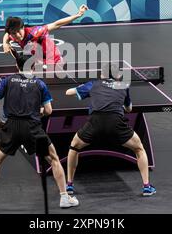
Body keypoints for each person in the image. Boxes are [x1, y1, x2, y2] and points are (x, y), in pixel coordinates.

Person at [0, 51, 79, 209]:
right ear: (33, 66)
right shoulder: (39, 84)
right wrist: (40, 112)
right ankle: (65, 198)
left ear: (17, 66)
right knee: (54, 160)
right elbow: (49, 110)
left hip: (11, 126)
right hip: (32, 127)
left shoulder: (7, 81)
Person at [64, 63, 157, 196]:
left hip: (95, 123)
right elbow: (129, 109)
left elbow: (68, 92)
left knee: (74, 147)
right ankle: (147, 187)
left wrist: (81, 88)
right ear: (117, 76)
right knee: (139, 149)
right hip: (116, 123)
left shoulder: (93, 84)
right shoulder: (123, 86)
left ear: (102, 74)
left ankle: (69, 186)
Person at [1, 4, 88, 69]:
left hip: (53, 60)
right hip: (38, 61)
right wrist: (5, 43)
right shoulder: (13, 35)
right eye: (14, 33)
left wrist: (77, 15)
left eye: (18, 31)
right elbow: (7, 35)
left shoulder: (36, 32)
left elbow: (56, 24)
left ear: (23, 27)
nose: (17, 35)